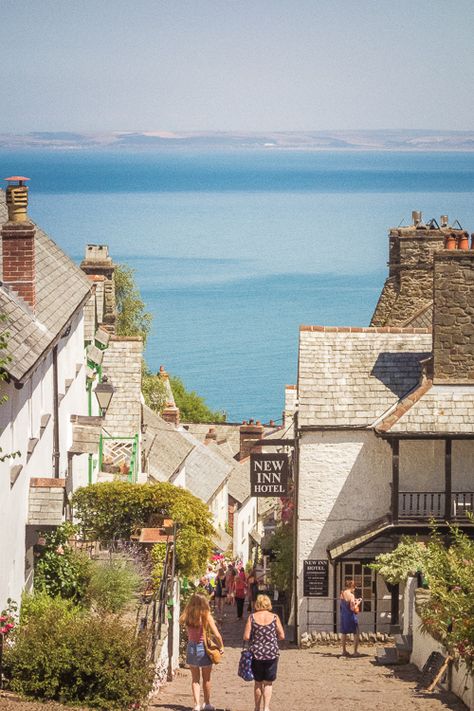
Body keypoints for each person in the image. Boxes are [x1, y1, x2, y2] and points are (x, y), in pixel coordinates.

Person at [180, 593, 224, 711]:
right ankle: (207, 704)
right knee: (207, 679)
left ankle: (197, 705)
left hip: (191, 647)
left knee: (195, 679)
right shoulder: (206, 615)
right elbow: (217, 635)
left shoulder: (187, 615)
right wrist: (221, 647)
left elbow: (180, 621)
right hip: (203, 648)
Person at [243, 594, 285, 711]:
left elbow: (246, 636)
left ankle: (257, 708)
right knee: (268, 683)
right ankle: (266, 707)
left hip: (256, 653)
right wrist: (271, 639)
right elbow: (282, 635)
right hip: (271, 652)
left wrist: (255, 638)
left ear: (257, 604)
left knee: (258, 682)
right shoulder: (275, 617)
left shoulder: (252, 617)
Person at [339, 578, 362, 657]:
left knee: (344, 633)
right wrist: (358, 603)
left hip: (344, 616)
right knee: (356, 633)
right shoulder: (351, 595)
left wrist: (353, 601)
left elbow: (345, 604)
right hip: (351, 617)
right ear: (352, 587)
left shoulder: (342, 594)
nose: (354, 589)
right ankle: (355, 652)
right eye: (354, 587)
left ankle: (344, 651)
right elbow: (352, 608)